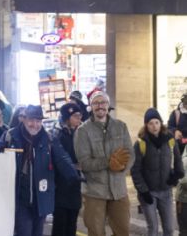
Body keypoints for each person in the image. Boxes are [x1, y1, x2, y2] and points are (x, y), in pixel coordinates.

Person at [0, 105, 78, 236]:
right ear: (24, 119)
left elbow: (62, 157)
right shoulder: (10, 135)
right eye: (31, 120)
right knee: (24, 231)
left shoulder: (49, 138)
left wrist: (72, 174)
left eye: (38, 121)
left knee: (38, 233)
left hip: (42, 199)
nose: (35, 124)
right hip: (20, 198)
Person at [74, 92, 134, 236]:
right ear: (90, 107)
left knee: (123, 231)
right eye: (96, 103)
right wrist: (109, 162)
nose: (100, 106)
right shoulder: (82, 131)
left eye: (103, 102)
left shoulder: (121, 126)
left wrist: (122, 168)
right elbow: (84, 163)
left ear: (108, 106)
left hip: (119, 191)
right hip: (94, 192)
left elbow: (130, 155)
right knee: (96, 232)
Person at [132, 108, 184, 236]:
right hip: (148, 193)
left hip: (165, 191)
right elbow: (135, 170)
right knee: (153, 229)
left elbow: (178, 160)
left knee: (169, 228)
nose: (154, 126)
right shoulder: (140, 144)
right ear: (146, 125)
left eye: (156, 122)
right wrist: (143, 191)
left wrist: (177, 175)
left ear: (161, 123)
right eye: (150, 123)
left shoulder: (170, 140)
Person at [51, 103, 83, 236]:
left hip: (75, 185)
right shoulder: (57, 135)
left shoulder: (79, 133)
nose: (79, 119)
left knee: (72, 224)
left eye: (80, 116)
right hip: (61, 186)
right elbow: (59, 160)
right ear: (66, 117)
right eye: (75, 116)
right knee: (60, 224)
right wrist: (74, 165)